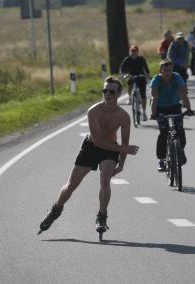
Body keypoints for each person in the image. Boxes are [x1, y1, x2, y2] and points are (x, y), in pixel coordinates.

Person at [38, 76, 139, 236]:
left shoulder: (123, 117)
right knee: (71, 185)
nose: (108, 94)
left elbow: (125, 143)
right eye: (105, 90)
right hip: (91, 147)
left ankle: (102, 216)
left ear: (119, 94)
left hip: (110, 150)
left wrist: (121, 164)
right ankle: (56, 210)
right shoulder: (93, 111)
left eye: (112, 91)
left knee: (105, 180)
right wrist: (123, 149)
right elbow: (99, 142)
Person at [150, 59, 194, 171]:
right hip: (160, 107)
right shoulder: (156, 80)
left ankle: (180, 150)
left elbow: (184, 95)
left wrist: (188, 109)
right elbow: (154, 98)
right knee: (163, 133)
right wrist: (154, 114)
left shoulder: (177, 77)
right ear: (160, 71)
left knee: (179, 129)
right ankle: (161, 159)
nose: (167, 73)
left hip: (174, 105)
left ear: (172, 70)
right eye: (165, 70)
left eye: (169, 70)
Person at [120, 45, 150, 120]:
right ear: (130, 52)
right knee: (129, 82)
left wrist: (147, 74)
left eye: (135, 51)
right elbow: (122, 68)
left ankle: (144, 112)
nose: (133, 53)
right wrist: (123, 74)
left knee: (143, 95)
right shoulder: (128, 59)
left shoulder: (141, 59)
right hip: (131, 76)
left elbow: (146, 68)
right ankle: (130, 97)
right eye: (132, 51)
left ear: (137, 52)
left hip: (140, 76)